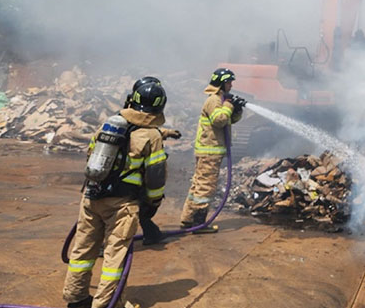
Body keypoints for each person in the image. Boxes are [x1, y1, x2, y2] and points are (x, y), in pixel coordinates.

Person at [63, 81, 169, 308]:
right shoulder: (152, 136)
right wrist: (152, 202)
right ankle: (106, 304)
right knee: (114, 258)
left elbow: (91, 154)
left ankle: (76, 298)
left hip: (91, 196)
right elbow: (156, 176)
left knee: (82, 250)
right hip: (122, 205)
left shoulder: (109, 125)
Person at [179, 68, 244, 232]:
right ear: (222, 83)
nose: (231, 85)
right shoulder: (214, 100)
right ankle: (198, 224)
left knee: (198, 185)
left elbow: (230, 119)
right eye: (229, 82)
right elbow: (219, 120)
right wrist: (229, 104)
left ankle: (188, 219)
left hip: (209, 151)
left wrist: (236, 109)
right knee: (205, 187)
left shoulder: (219, 99)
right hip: (210, 151)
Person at [121, 76, 181, 246]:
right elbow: (155, 172)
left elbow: (139, 134)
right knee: (131, 215)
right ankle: (108, 245)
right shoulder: (150, 135)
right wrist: (154, 199)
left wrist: (166, 133)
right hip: (130, 184)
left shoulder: (118, 122)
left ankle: (151, 233)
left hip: (107, 182)